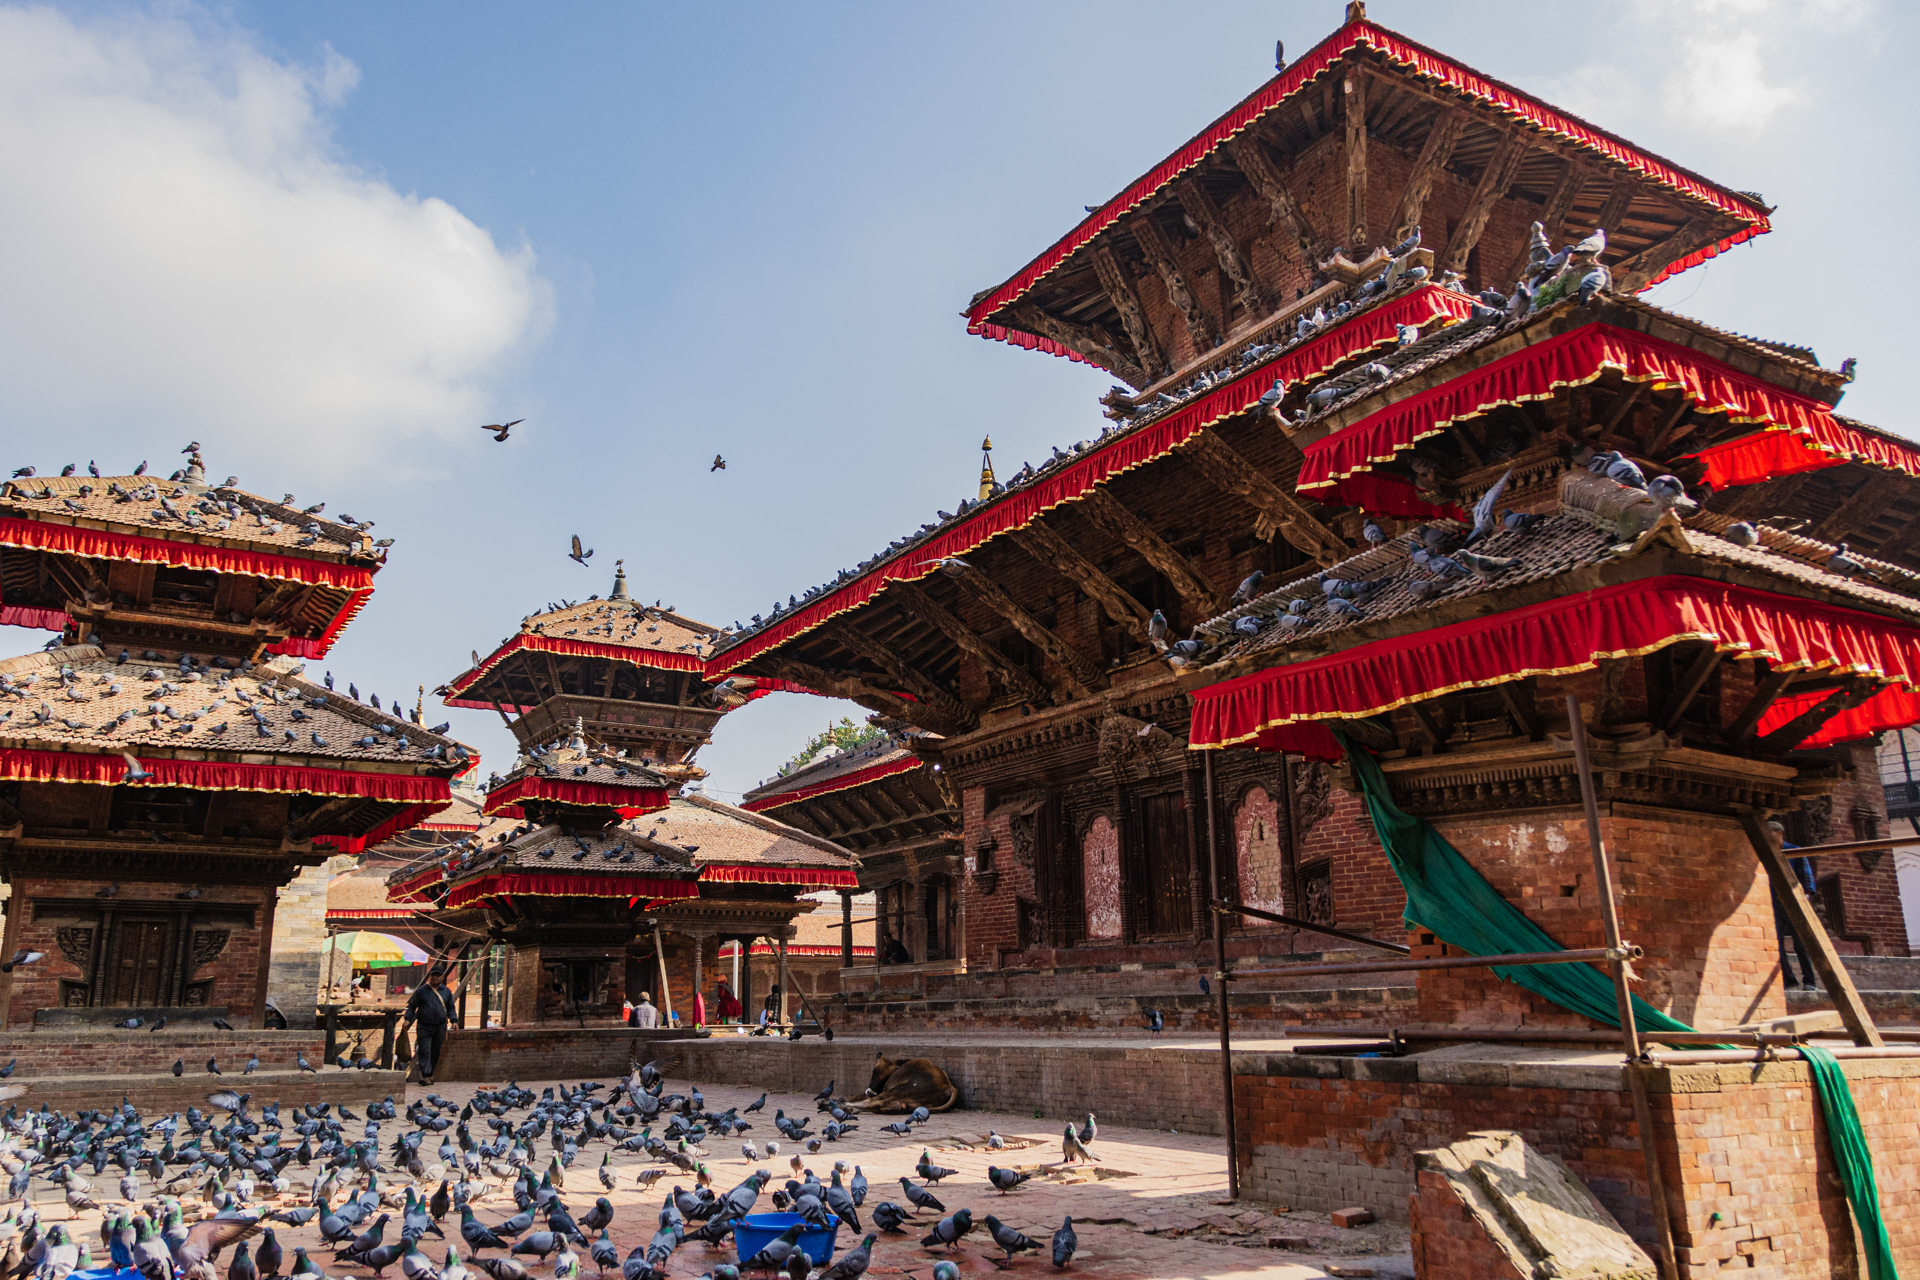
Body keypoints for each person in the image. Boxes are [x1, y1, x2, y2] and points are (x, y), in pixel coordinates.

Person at [1772, 828, 1821, 988]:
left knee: (1801, 944)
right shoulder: (1767, 852)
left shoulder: (1794, 851)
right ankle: (1789, 979)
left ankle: (1809, 981)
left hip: (1794, 902)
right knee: (1776, 944)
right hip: (1774, 903)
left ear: (1778, 832)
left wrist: (1804, 898)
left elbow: (1806, 877)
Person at [401, 965, 463, 1087]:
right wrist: (407, 1019)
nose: (434, 977)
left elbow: (451, 1008)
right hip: (424, 1026)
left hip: (440, 1026)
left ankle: (429, 1074)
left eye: (437, 975)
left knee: (435, 1051)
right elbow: (412, 1006)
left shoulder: (446, 992)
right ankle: (426, 1075)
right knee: (424, 1050)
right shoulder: (421, 991)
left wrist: (454, 1021)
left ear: (442, 977)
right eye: (432, 975)